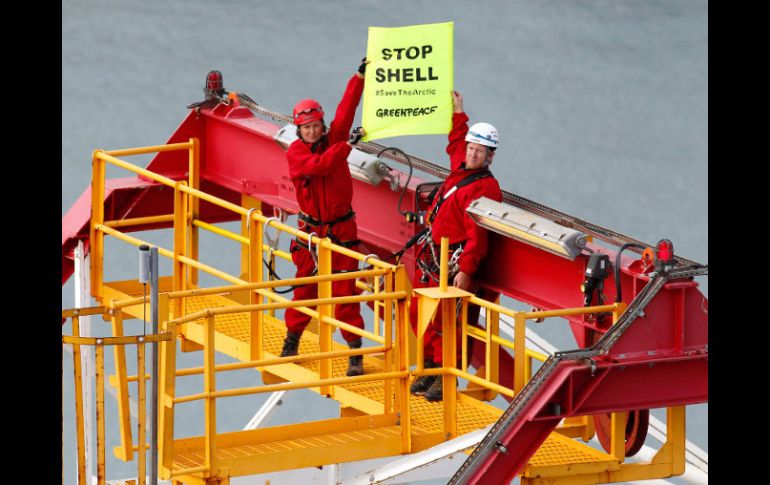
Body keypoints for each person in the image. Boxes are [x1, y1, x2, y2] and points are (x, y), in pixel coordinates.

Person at [409, 91, 503, 401]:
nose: (472, 154)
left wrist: (465, 270)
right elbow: (455, 140)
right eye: (471, 148)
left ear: (489, 156)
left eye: (479, 151)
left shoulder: (485, 188)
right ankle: (430, 369)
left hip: (455, 260)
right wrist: (459, 111)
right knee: (424, 314)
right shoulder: (460, 168)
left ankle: (444, 376)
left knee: (449, 321)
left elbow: (478, 235)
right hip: (437, 256)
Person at [280, 59, 369, 377]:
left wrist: (358, 77)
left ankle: (354, 353)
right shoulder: (297, 153)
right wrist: (347, 147)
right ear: (299, 130)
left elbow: (347, 109)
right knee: (306, 290)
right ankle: (292, 339)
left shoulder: (333, 141)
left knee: (346, 293)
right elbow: (321, 167)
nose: (313, 131)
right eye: (307, 128)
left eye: (317, 126)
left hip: (341, 228)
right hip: (312, 234)